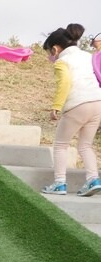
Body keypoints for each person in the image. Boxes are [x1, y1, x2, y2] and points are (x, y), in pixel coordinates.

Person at [41, 24, 101, 197]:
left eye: (49, 53)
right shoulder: (87, 56)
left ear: (55, 49)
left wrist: (56, 106)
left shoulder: (62, 62)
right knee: (85, 145)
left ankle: (59, 183)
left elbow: (65, 83)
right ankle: (93, 179)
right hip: (97, 102)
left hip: (77, 104)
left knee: (61, 145)